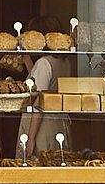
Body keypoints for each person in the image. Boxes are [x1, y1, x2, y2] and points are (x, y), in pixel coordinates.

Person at [18, 17, 70, 158]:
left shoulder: (43, 63)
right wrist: (28, 62)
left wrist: (31, 138)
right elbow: (43, 85)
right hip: (58, 121)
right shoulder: (64, 61)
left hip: (41, 125)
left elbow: (39, 101)